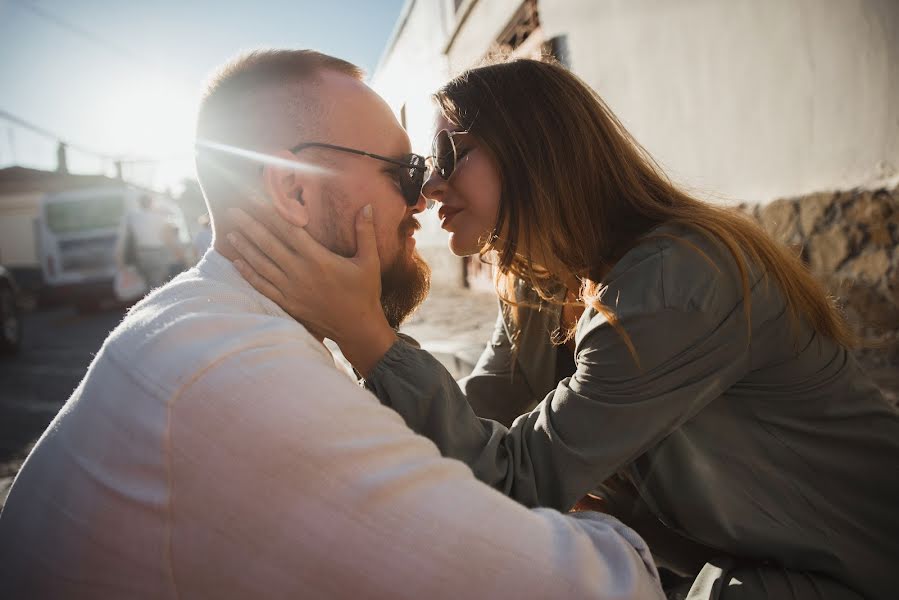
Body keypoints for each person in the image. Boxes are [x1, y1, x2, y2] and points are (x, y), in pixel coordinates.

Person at [225, 57, 899, 599]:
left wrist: (364, 334)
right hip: (732, 561)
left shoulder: (677, 278)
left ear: (534, 152)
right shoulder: (544, 284)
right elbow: (468, 431)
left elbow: (518, 479)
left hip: (849, 569)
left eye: (447, 152)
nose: (427, 189)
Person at [0, 50, 664, 599]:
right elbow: (591, 588)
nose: (422, 200)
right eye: (404, 173)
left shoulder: (193, 317)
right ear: (293, 190)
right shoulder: (243, 371)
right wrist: (615, 524)